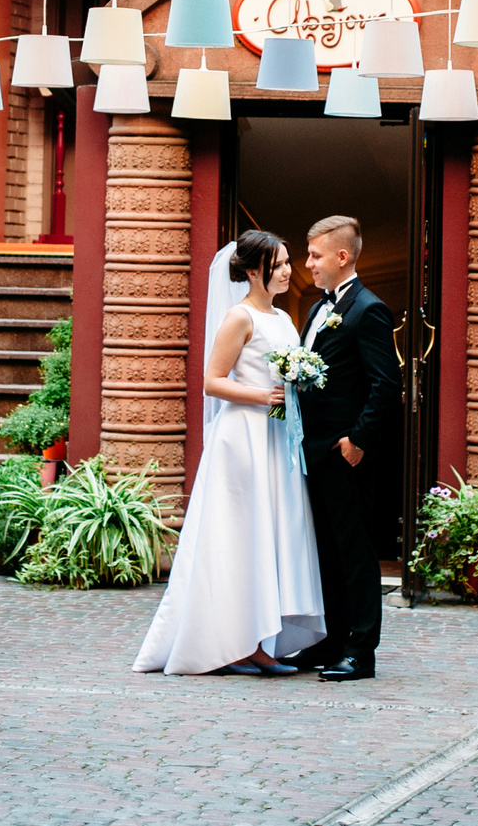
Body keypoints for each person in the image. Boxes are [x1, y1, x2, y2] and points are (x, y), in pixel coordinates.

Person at [132, 230, 327, 676]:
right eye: (279, 264)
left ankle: (257, 642)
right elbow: (212, 381)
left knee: (268, 536)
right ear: (255, 271)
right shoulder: (239, 317)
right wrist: (263, 396)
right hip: (242, 439)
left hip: (275, 436)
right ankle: (240, 645)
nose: (288, 271)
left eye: (288, 262)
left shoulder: (284, 318)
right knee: (240, 537)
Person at [290, 215, 402, 682]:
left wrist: (358, 440)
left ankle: (361, 652)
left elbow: (386, 385)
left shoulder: (368, 309)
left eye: (315, 255)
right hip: (313, 451)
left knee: (354, 553)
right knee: (327, 552)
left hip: (345, 454)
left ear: (341, 256)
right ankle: (333, 639)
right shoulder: (318, 309)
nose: (308, 264)